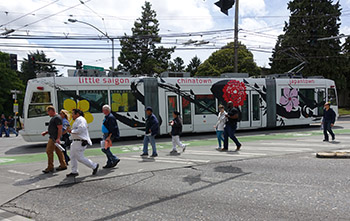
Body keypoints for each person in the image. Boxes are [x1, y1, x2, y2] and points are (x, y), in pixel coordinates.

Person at [66, 109, 99, 177]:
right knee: (73, 156)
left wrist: (72, 131)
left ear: (77, 114)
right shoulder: (78, 120)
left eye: (73, 114)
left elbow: (81, 129)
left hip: (79, 141)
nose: (72, 115)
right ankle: (74, 171)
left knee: (79, 157)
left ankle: (94, 165)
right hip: (75, 141)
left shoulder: (80, 119)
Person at [41, 106, 67, 173]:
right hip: (54, 137)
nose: (48, 113)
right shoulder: (55, 118)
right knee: (59, 152)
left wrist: (58, 138)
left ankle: (50, 167)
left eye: (48, 112)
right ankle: (63, 164)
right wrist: (46, 132)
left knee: (49, 151)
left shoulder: (57, 118)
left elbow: (60, 128)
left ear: (51, 111)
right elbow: (54, 128)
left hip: (54, 138)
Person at [101, 105, 120, 169]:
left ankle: (114, 158)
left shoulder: (110, 117)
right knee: (106, 148)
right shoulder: (107, 117)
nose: (102, 111)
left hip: (108, 135)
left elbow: (112, 128)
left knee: (105, 149)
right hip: (106, 134)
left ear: (107, 110)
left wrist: (109, 136)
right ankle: (109, 162)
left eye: (103, 110)